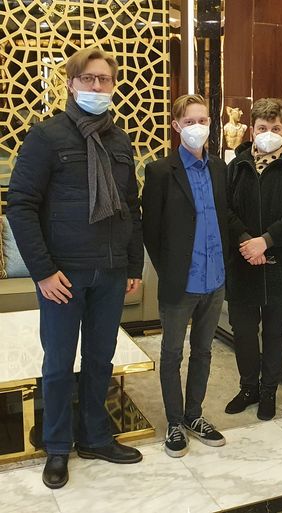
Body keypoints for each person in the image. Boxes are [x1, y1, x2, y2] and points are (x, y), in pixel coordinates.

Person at [7, 47, 143, 489]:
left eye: (105, 79)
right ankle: (57, 447)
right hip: (63, 276)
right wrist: (43, 271)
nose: (97, 86)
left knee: (101, 360)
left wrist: (133, 264)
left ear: (113, 85)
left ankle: (95, 437)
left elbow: (131, 208)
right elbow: (20, 205)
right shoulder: (46, 137)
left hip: (110, 272)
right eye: (89, 79)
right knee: (59, 364)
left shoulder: (120, 141)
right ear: (70, 83)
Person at [142, 94, 230, 457]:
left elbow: (224, 218)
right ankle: (174, 422)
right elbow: (151, 231)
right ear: (177, 126)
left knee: (204, 351)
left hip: (215, 278)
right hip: (181, 281)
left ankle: (194, 415)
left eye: (203, 121)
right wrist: (169, 271)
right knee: (172, 353)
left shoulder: (219, 169)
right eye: (190, 122)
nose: (198, 127)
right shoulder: (161, 172)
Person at [225, 97, 282, 421]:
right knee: (243, 331)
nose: (269, 134)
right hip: (243, 262)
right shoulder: (236, 166)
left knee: (276, 332)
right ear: (252, 130)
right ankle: (248, 387)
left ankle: (268, 392)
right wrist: (246, 241)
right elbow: (225, 209)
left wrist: (266, 241)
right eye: (263, 127)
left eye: (275, 128)